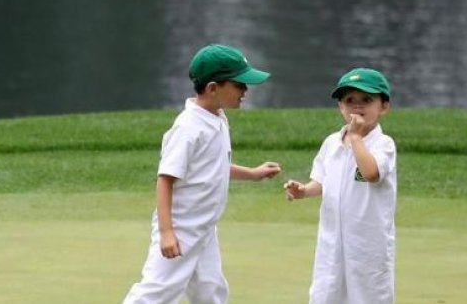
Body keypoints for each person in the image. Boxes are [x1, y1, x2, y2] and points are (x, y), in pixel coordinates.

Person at [121, 43, 282, 304]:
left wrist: (252, 173)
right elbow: (165, 180)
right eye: (239, 84)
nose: (245, 90)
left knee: (211, 291)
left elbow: (213, 167)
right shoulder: (187, 128)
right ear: (213, 88)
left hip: (205, 228)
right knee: (157, 293)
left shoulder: (217, 118)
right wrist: (166, 232)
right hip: (181, 229)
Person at [283, 68, 397, 304]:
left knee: (368, 296)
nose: (357, 106)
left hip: (368, 242)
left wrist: (356, 139)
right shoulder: (331, 143)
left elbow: (372, 173)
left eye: (366, 100)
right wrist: (304, 190)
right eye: (349, 101)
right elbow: (323, 181)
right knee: (326, 293)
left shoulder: (383, 144)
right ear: (340, 107)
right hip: (331, 239)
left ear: (383, 106)